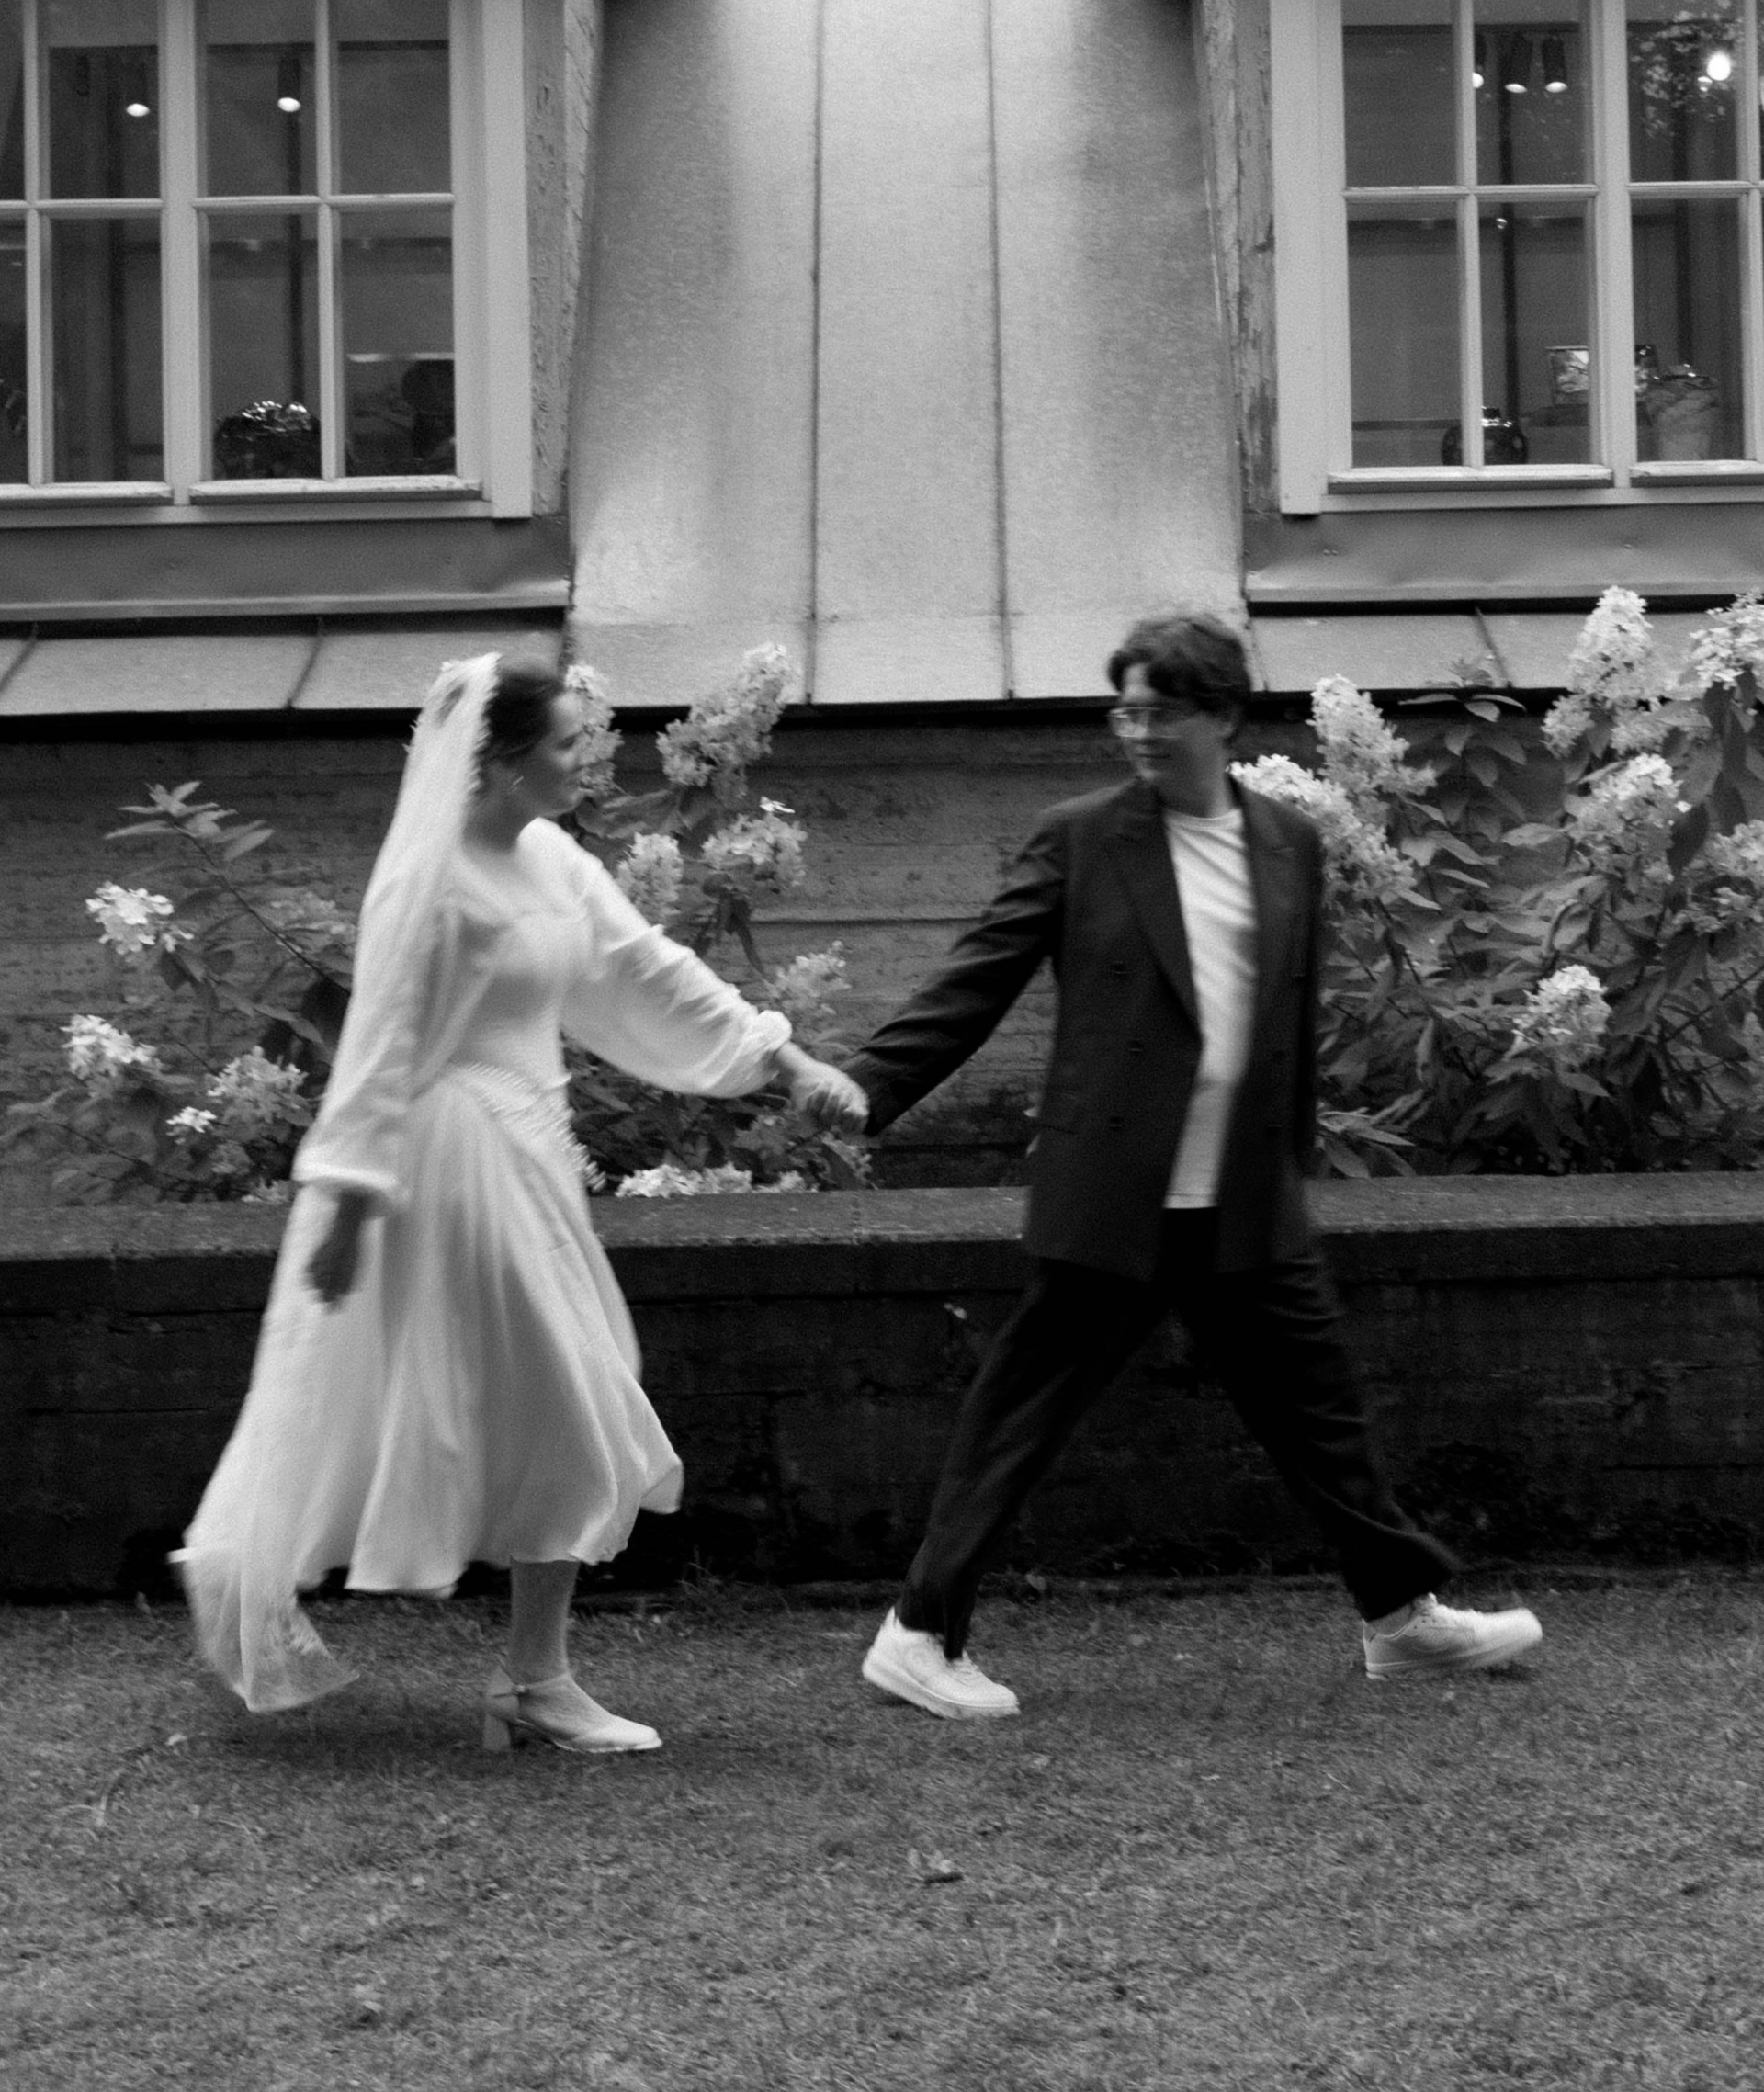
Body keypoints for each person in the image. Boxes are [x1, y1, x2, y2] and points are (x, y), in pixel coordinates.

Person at [842, 612, 1543, 1720]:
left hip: (1245, 1194)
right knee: (1020, 1416)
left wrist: (1290, 1161)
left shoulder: (1288, 843)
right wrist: (870, 1085)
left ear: (1222, 716)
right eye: (1124, 710)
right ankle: (919, 1635)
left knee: (1319, 1411)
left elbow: (1288, 1012)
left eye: (1160, 711)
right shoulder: (1080, 839)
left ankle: (1401, 1619)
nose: (1137, 732)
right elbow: (978, 977)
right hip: (1119, 1189)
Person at [178, 653, 865, 1751]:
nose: (585, 760)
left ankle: (533, 1677)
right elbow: (380, 1048)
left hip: (532, 1160)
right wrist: (348, 1209)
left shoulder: (548, 856)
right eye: (565, 743)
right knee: (574, 1402)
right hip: (448, 1174)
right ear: (498, 761)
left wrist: (785, 1061)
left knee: (563, 1403)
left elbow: (647, 967)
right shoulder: (431, 882)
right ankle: (533, 1680)